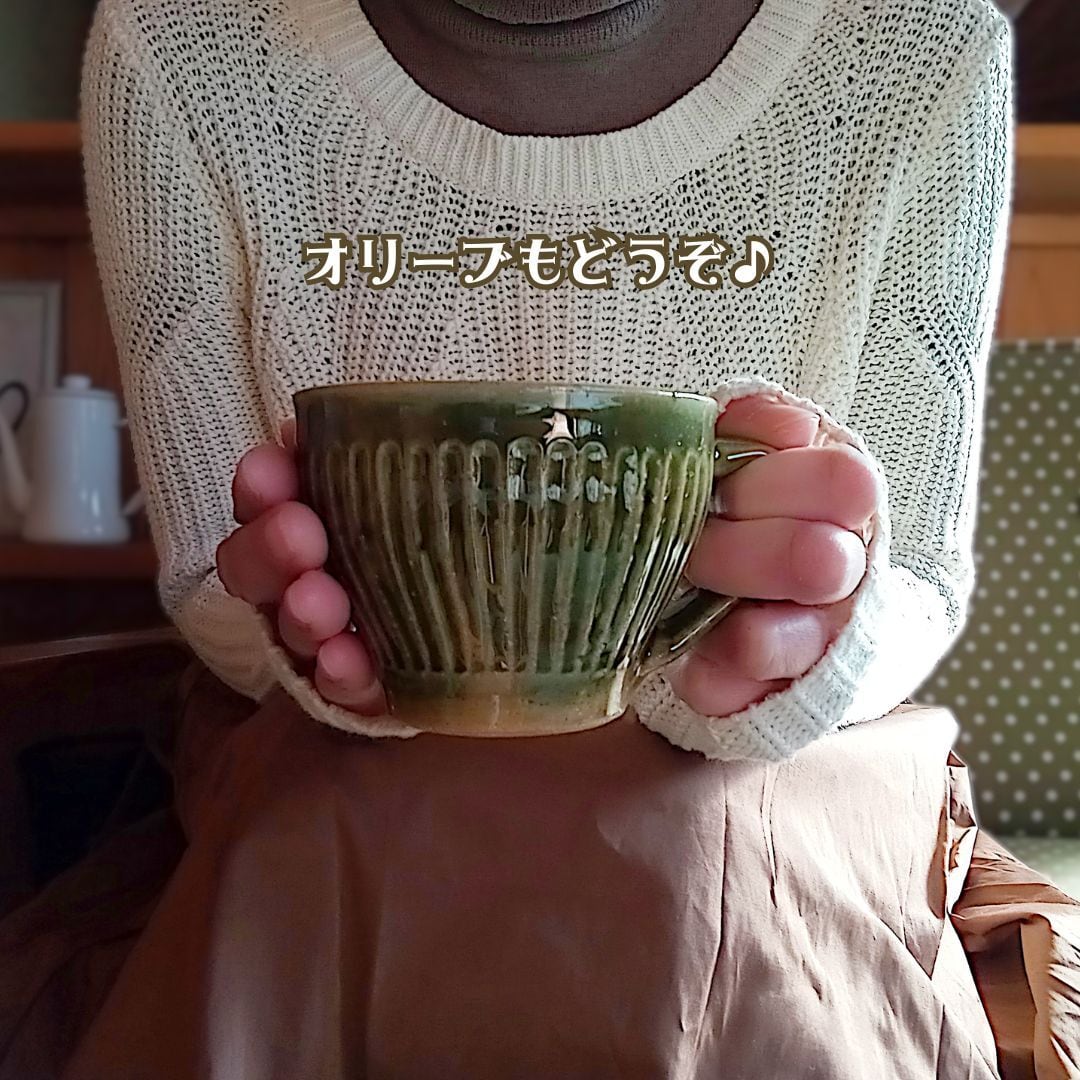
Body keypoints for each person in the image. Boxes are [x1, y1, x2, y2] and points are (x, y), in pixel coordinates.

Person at [14, 0, 1069, 1075]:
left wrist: (813, 647)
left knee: (704, 863)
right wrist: (315, 643)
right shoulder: (182, 53)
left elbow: (917, 568)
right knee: (331, 833)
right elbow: (212, 566)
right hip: (332, 789)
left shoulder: (918, 54)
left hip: (788, 779)